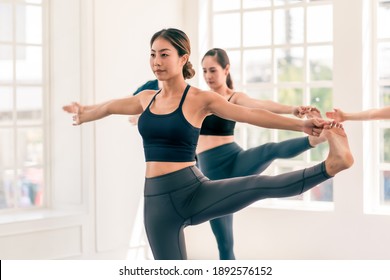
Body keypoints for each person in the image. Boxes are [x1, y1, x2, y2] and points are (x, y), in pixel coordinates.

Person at [63, 28, 354, 260]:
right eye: (152, 55)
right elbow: (112, 106)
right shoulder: (145, 99)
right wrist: (85, 112)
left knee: (260, 184)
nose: (156, 62)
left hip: (193, 189)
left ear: (182, 58)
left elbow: (251, 114)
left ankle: (331, 165)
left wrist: (300, 123)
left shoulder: (200, 99)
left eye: (164, 54)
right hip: (156, 202)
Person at [197, 48, 327, 260]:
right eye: (204, 71)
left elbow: (260, 106)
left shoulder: (234, 97)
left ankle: (313, 140)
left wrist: (292, 109)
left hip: (234, 158)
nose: (208, 76)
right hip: (212, 173)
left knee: (269, 150)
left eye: (213, 70)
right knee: (225, 244)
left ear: (226, 69)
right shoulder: (200, 98)